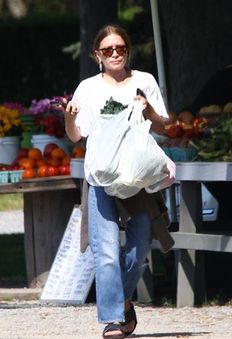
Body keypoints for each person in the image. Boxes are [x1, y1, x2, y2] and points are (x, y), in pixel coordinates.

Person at [64, 24, 174, 339]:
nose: (115, 53)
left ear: (128, 51)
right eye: (108, 49)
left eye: (121, 48)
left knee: (139, 248)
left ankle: (123, 300)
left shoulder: (144, 81)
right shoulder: (87, 88)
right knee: (106, 251)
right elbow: (76, 135)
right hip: (100, 178)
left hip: (137, 178)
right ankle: (113, 319)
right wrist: (69, 118)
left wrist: (149, 109)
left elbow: (164, 127)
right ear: (97, 54)